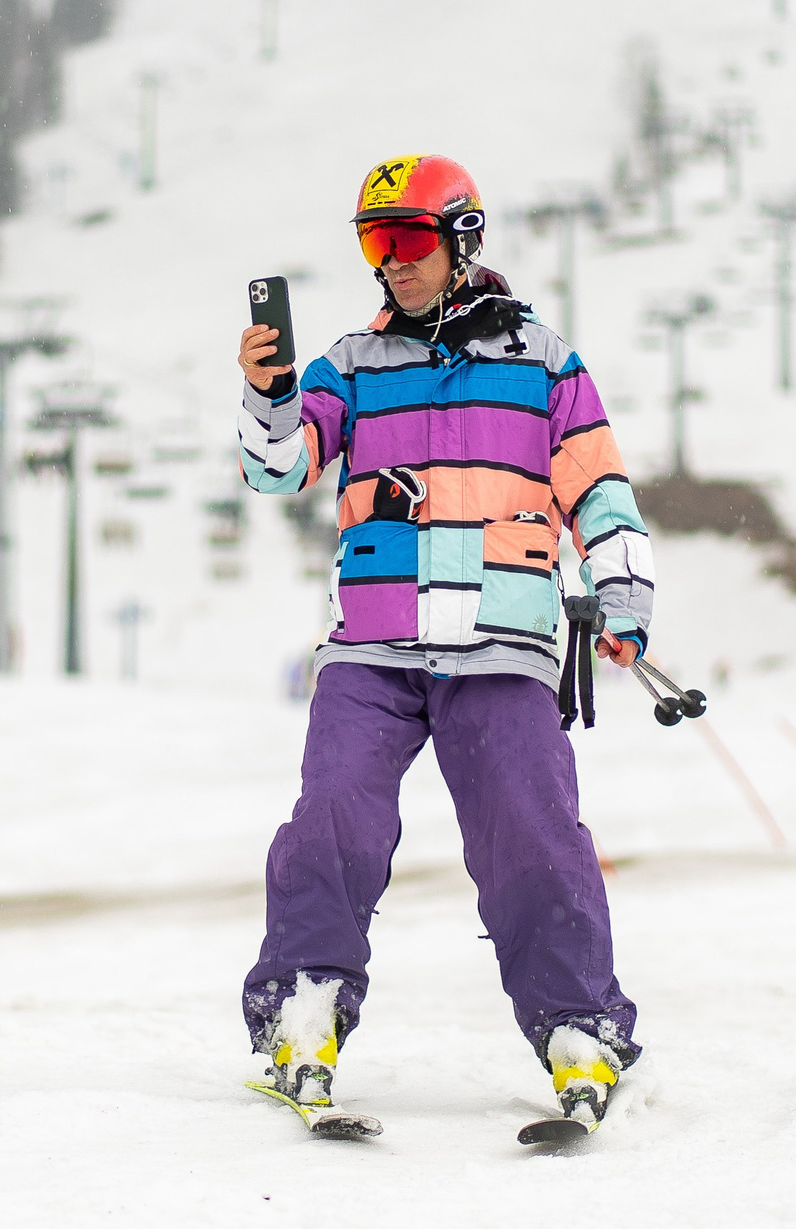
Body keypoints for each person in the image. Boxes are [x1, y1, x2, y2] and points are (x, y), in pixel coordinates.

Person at [233, 154, 654, 1132]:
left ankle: (579, 1025)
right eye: (375, 244)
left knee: (531, 837)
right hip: (373, 649)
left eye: (409, 240)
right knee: (333, 818)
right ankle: (301, 1013)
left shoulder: (545, 365)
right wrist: (266, 398)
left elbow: (600, 488)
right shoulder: (346, 363)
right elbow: (280, 470)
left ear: (461, 240)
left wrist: (623, 595)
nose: (392, 262)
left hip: (502, 647)